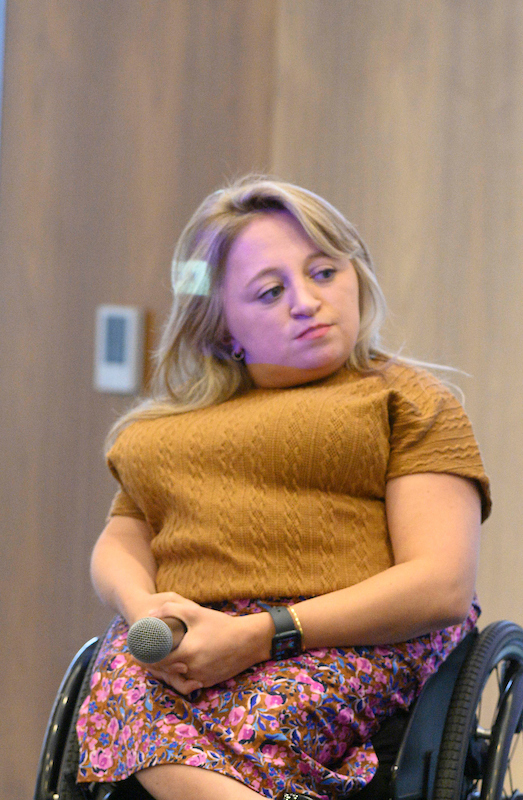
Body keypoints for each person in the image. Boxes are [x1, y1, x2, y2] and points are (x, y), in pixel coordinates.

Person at [75, 176, 490, 800]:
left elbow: (441, 585)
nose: (306, 301)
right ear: (221, 329)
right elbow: (121, 542)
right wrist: (144, 610)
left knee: (259, 716)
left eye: (324, 273)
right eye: (271, 291)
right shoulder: (163, 434)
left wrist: (260, 635)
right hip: (194, 635)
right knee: (121, 683)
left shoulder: (405, 400)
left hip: (344, 637)